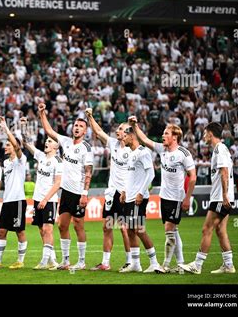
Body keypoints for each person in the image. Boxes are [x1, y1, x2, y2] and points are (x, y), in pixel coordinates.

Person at [128, 116, 197, 272]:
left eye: (166, 133)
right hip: (164, 197)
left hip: (176, 198)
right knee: (174, 231)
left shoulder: (183, 154)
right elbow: (145, 140)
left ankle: (165, 265)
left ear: (175, 137)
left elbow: (192, 176)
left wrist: (187, 198)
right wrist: (135, 125)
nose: (163, 136)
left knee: (169, 230)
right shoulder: (162, 149)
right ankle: (180, 263)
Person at [38, 103, 93, 271]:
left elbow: (88, 171)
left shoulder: (86, 148)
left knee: (78, 225)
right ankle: (66, 260)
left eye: (81, 126)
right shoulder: (66, 141)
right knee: (62, 225)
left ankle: (82, 261)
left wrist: (85, 193)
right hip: (66, 192)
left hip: (78, 192)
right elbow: (49, 131)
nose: (77, 128)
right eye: (76, 125)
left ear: (85, 131)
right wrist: (42, 114)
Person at [179, 122, 236, 274]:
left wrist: (224, 195)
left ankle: (197, 265)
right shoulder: (220, 149)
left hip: (220, 198)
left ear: (210, 134)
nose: (203, 136)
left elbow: (224, 172)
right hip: (223, 197)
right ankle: (229, 265)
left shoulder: (220, 149)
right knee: (220, 230)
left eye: (205, 133)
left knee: (207, 229)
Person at [85, 109, 132, 272]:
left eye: (121, 129)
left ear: (128, 132)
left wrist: (129, 191)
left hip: (125, 194)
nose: (117, 131)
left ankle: (130, 261)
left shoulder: (133, 150)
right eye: (118, 129)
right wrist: (90, 116)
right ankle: (105, 263)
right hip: (112, 193)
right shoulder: (113, 143)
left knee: (125, 229)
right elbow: (98, 131)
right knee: (107, 227)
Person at [0, 117, 28, 269]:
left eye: (8, 145)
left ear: (15, 147)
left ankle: (20, 261)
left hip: (18, 201)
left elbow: (16, 143)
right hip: (7, 201)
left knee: (19, 231)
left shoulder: (21, 160)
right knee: (2, 231)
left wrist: (5, 128)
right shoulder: (6, 163)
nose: (5, 147)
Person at [119, 126, 165, 273]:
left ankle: (154, 263)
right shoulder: (130, 153)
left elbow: (150, 174)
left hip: (138, 198)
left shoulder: (143, 152)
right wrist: (124, 191)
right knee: (130, 230)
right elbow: (130, 176)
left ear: (132, 136)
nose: (122, 138)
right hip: (129, 197)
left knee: (139, 229)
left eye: (125, 136)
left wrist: (141, 192)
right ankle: (135, 263)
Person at [21, 117, 61, 270]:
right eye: (46, 141)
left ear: (56, 146)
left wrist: (46, 199)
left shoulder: (58, 162)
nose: (46, 142)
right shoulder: (40, 156)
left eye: (50, 141)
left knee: (47, 229)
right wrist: (24, 127)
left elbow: (58, 183)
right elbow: (27, 143)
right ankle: (52, 260)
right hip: (38, 200)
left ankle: (44, 262)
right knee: (41, 230)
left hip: (49, 200)